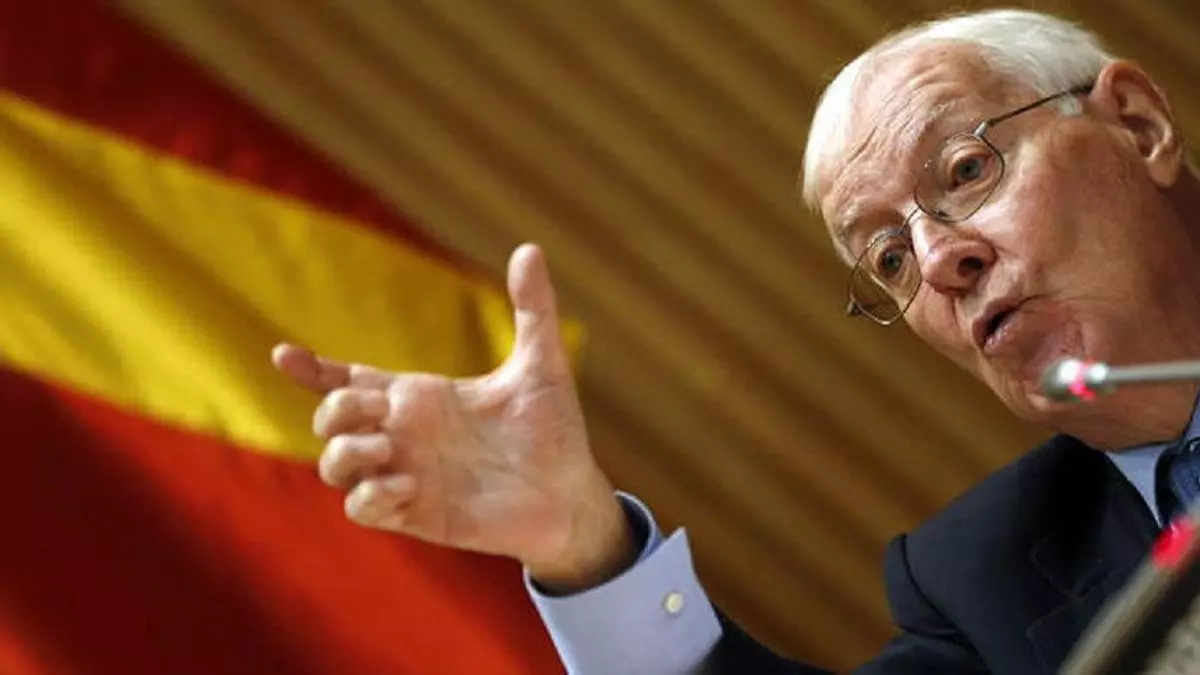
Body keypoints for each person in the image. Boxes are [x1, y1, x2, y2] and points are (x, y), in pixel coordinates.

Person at [270, 7, 1200, 674]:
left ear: (1139, 123)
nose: (938, 257)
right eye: (888, 258)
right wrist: (585, 549)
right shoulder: (986, 573)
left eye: (966, 170)